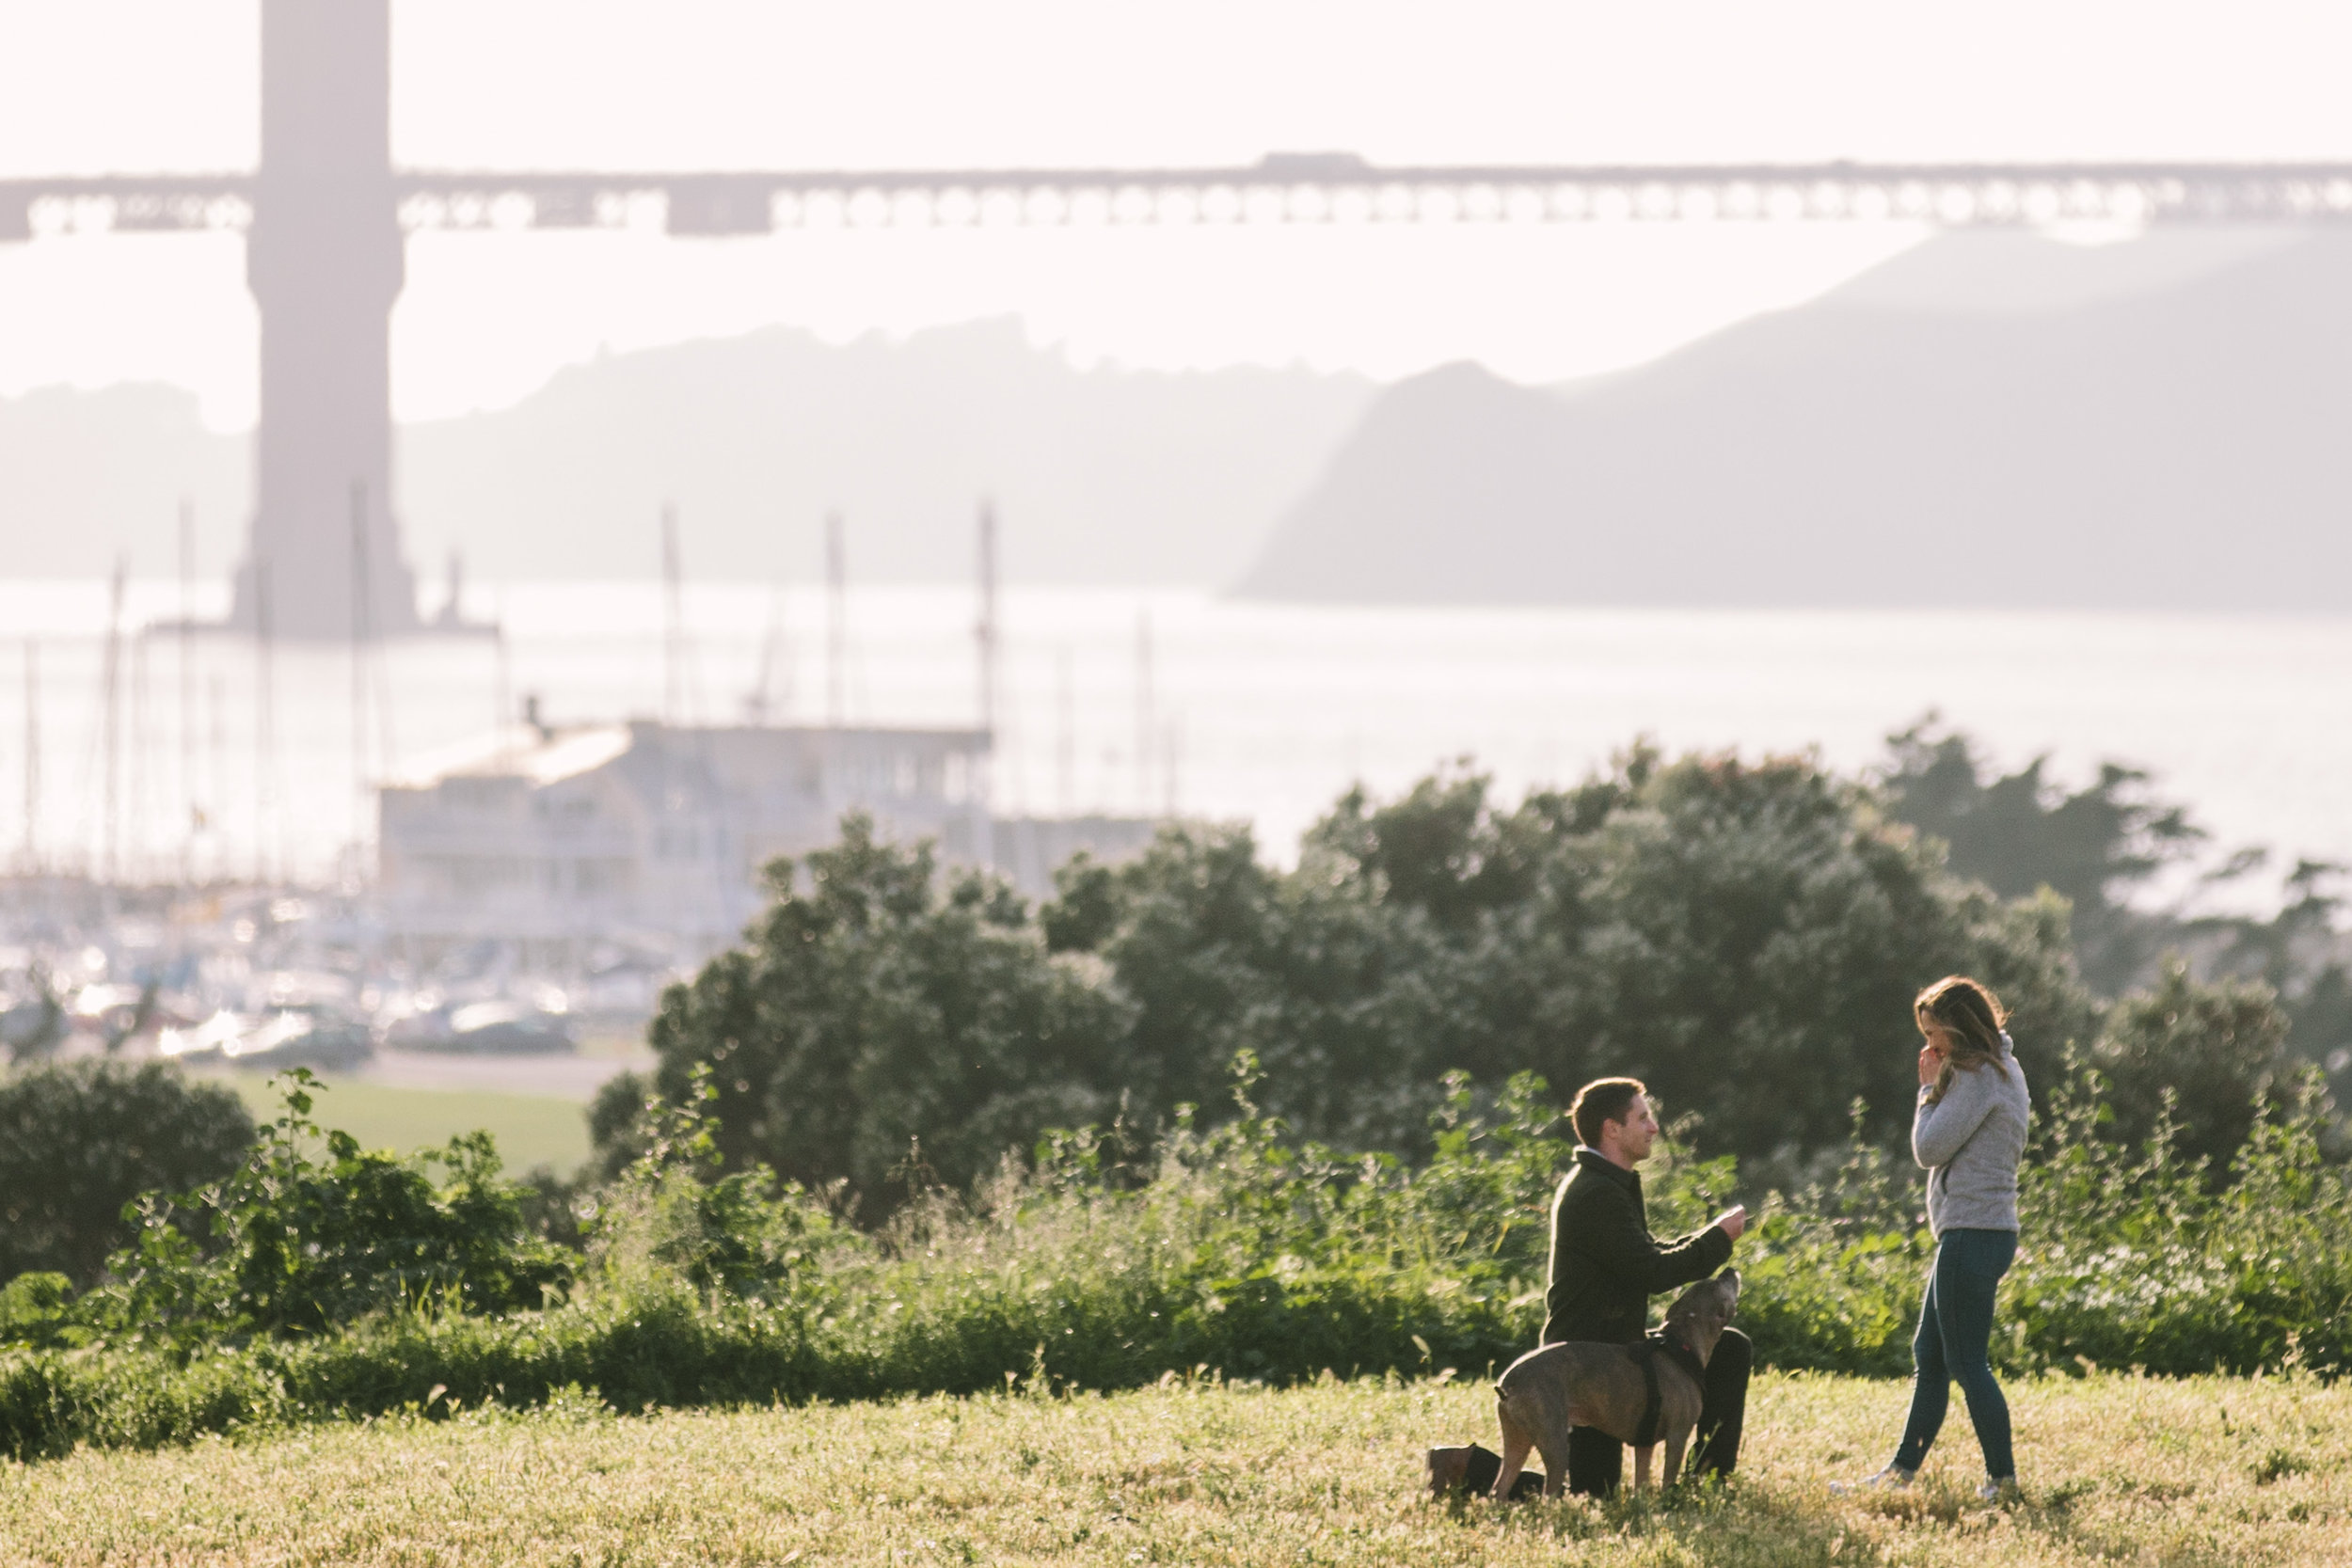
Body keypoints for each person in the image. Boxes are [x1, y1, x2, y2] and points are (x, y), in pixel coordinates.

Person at [1835, 975, 2031, 1502]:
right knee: (1932, 1354)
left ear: (1958, 1029)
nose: (1929, 1048)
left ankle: (2003, 1480)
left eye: (1933, 1035)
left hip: (1974, 1231)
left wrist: (1926, 1090)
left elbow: (1929, 1148)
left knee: (1967, 1362)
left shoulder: (1980, 1077)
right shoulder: (2001, 1069)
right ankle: (1901, 1473)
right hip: (1977, 1231)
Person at [1541, 1076, 1750, 1497]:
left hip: (1624, 1349)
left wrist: (1711, 1235)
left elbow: (1646, 1252)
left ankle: (1708, 1478)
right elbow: (1652, 1272)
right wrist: (1718, 1240)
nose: (1654, 1126)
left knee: (1729, 1350)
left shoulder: (1610, 1182)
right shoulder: (1596, 1192)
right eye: (1643, 1117)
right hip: (1591, 1364)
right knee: (1594, 1492)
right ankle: (1469, 1471)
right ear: (1612, 1129)